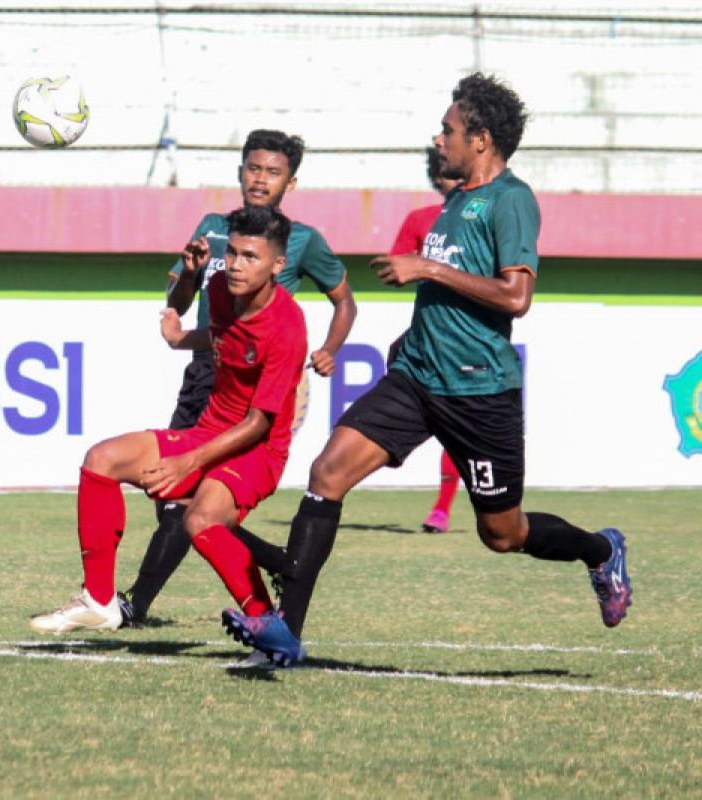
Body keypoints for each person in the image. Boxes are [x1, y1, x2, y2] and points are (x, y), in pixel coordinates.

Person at [223, 73, 632, 668]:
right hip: (416, 379)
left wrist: (426, 269)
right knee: (328, 473)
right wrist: (412, 334)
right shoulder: (457, 201)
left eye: (449, 130)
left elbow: (515, 297)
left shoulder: (512, 200)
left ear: (482, 140)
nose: (439, 139)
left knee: (504, 534)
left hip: (478, 392)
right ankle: (284, 634)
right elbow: (446, 297)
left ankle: (600, 549)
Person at [30, 205, 309, 634]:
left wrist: (189, 461)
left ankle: (268, 625)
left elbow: (259, 424)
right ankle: (99, 600)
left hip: (258, 451)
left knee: (200, 520)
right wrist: (189, 290)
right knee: (101, 458)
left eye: (250, 257)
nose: (235, 265)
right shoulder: (220, 287)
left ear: (278, 264)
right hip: (209, 430)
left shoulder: (288, 324)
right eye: (231, 253)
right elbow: (205, 324)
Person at [116, 129, 356, 627]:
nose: (260, 179)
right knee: (176, 503)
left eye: (273, 172)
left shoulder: (302, 240)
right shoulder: (212, 226)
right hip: (208, 370)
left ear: (290, 182)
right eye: (253, 168)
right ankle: (276, 560)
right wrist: (180, 300)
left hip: (260, 381)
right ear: (240, 171)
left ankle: (134, 604)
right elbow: (180, 300)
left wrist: (330, 348)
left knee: (189, 499)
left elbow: (344, 300)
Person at [388, 147, 461, 534]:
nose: (452, 182)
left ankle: (443, 509)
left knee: (458, 430)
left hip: (468, 339)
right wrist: (419, 269)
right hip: (429, 328)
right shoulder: (422, 220)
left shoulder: (486, 216)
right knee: (395, 356)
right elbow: (396, 262)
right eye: (444, 175)